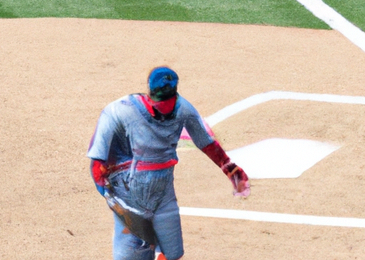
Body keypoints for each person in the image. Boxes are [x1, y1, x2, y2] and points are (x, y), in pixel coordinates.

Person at [88, 67, 249, 260]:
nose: (164, 109)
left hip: (164, 194)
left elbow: (205, 142)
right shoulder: (120, 111)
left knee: (172, 253)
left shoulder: (183, 109)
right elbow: (97, 161)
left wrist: (229, 168)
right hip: (130, 196)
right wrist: (110, 196)